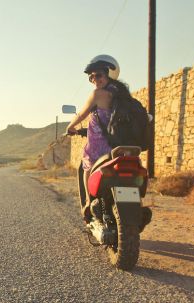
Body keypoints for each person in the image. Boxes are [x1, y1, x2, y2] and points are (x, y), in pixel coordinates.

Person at [66, 54, 123, 223]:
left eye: (98, 75)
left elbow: (82, 114)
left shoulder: (98, 94)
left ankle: (89, 204)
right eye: (91, 77)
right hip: (118, 144)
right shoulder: (122, 94)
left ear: (108, 74)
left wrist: (70, 127)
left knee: (86, 166)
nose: (94, 79)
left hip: (100, 146)